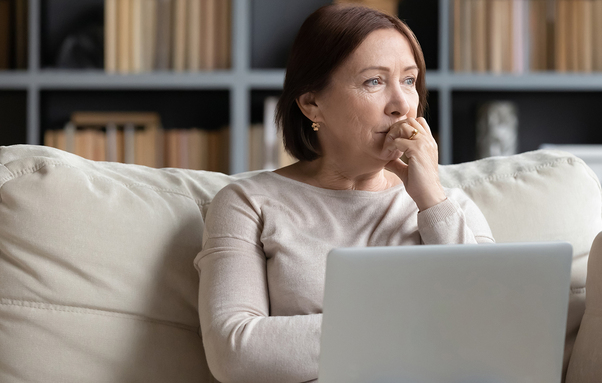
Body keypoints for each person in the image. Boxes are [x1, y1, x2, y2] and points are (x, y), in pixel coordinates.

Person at [194, 4, 494, 382]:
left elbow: (489, 337)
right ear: (311, 103)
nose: (402, 104)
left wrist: (431, 200)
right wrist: (426, 326)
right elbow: (234, 352)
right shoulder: (247, 204)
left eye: (409, 80)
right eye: (374, 82)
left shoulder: (450, 206)